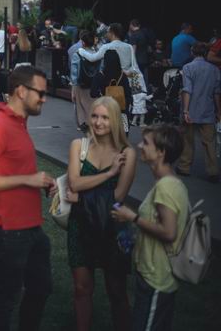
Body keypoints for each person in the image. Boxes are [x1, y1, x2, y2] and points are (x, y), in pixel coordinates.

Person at [0, 65, 56, 331]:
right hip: (8, 230)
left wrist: (42, 182)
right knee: (5, 299)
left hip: (31, 227)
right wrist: (28, 180)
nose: (44, 98)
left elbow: (14, 168)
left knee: (41, 287)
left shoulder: (19, 123)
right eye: (40, 93)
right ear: (20, 91)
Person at [66, 97, 136, 331]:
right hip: (80, 226)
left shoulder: (127, 153)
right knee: (81, 288)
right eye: (95, 116)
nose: (98, 122)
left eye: (105, 117)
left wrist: (81, 193)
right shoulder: (79, 145)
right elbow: (74, 183)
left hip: (113, 228)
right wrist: (108, 174)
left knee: (116, 290)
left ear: (115, 120)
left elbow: (118, 196)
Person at [110, 125, 190, 331]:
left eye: (146, 143)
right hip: (150, 274)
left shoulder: (167, 187)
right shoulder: (164, 183)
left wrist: (133, 217)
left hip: (157, 278)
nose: (139, 146)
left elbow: (169, 232)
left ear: (161, 152)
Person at [176, 42, 221, 182]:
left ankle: (184, 167)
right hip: (208, 110)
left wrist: (185, 110)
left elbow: (187, 90)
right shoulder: (214, 70)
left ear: (192, 52)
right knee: (210, 142)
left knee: (187, 140)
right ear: (206, 52)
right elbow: (217, 93)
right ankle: (213, 171)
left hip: (191, 109)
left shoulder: (188, 67)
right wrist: (219, 111)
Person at [91, 50, 132, 131]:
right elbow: (128, 94)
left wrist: (101, 95)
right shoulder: (122, 76)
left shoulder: (100, 75)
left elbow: (92, 93)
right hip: (121, 110)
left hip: (105, 110)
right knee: (121, 135)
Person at [71, 31, 98, 132]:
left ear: (83, 42)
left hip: (81, 84)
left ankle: (86, 130)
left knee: (82, 109)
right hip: (94, 84)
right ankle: (94, 127)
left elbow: (74, 73)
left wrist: (73, 87)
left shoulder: (77, 54)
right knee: (93, 107)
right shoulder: (97, 54)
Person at [128, 20, 150, 86]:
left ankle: (139, 93)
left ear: (131, 25)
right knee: (145, 77)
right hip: (145, 59)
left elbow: (133, 50)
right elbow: (148, 48)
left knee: (137, 78)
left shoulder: (133, 35)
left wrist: (132, 61)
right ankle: (147, 92)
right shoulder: (144, 34)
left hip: (137, 60)